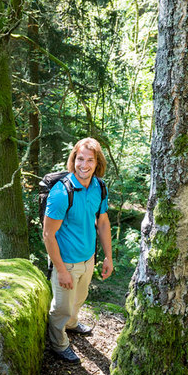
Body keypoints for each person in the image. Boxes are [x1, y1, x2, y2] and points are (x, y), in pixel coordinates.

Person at [43, 138, 113, 362]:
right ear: (73, 160)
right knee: (61, 308)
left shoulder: (99, 187)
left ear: (97, 162)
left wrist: (108, 257)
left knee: (79, 299)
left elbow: (102, 222)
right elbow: (48, 234)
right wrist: (61, 270)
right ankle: (59, 343)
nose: (84, 165)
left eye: (90, 160)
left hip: (88, 258)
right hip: (66, 261)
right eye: (80, 159)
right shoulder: (61, 193)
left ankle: (71, 325)